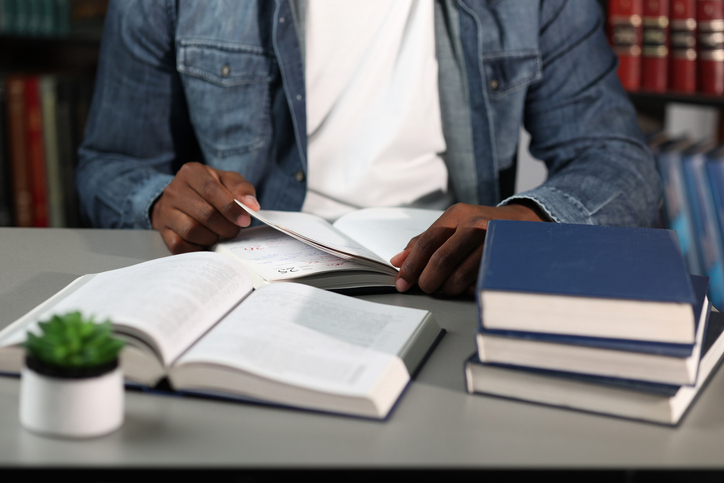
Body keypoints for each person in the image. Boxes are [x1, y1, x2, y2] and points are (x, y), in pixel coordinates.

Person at [75, 0, 660, 297]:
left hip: (439, 284)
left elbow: (619, 160)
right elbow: (111, 161)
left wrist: (528, 219)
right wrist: (159, 201)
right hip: (251, 278)